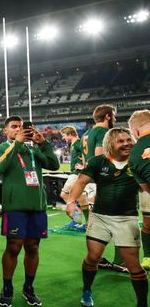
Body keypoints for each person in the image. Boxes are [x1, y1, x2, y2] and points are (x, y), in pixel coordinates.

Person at [66, 127, 147, 307]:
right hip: (100, 218)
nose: (127, 143)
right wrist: (71, 201)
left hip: (127, 219)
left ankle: (142, 304)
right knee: (93, 257)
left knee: (133, 265)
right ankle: (87, 290)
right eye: (121, 141)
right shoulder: (97, 162)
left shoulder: (138, 162)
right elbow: (81, 181)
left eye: (129, 140)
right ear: (111, 144)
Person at [0, 116, 60, 307]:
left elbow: (53, 164)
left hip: (37, 205)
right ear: (5, 131)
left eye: (22, 127)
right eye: (14, 127)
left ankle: (28, 288)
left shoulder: (33, 149)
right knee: (13, 247)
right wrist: (17, 143)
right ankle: (7, 288)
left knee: (33, 247)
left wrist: (43, 143)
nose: (19, 129)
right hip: (15, 207)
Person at [83, 104, 126, 272]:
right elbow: (100, 155)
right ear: (108, 116)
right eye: (113, 115)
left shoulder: (88, 133)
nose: (114, 118)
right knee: (118, 219)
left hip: (91, 180)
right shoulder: (102, 132)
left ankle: (97, 258)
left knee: (99, 222)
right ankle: (119, 261)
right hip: (102, 180)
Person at [127, 110, 150, 270]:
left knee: (148, 222)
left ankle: (148, 257)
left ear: (135, 131)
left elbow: (145, 188)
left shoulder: (134, 153)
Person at [59, 126, 90, 230]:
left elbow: (87, 153)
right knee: (81, 200)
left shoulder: (78, 143)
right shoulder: (73, 144)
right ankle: (81, 221)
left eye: (63, 135)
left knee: (64, 194)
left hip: (76, 174)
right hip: (75, 173)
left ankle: (78, 220)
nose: (63, 138)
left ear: (69, 133)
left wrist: (83, 166)